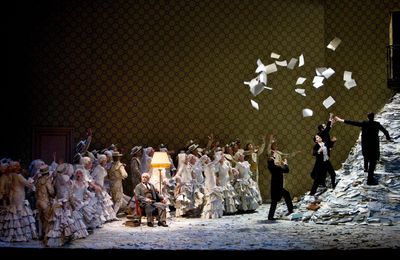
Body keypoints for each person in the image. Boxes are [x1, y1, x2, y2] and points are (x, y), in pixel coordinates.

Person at [335, 113, 391, 185]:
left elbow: (353, 122)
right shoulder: (377, 124)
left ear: (367, 117)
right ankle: (370, 180)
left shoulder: (364, 123)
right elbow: (385, 131)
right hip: (374, 146)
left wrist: (340, 120)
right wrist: (388, 138)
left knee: (366, 157)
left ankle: (365, 170)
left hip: (366, 146)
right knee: (372, 163)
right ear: (373, 117)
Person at [266, 135, 293, 220]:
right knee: (281, 197)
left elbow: (271, 160)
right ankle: (290, 210)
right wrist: (285, 163)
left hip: (275, 186)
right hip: (278, 186)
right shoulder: (277, 167)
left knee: (277, 200)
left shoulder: (272, 167)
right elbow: (287, 170)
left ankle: (271, 216)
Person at [316, 113, 337, 189]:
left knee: (324, 171)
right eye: (323, 127)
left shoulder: (324, 134)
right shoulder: (321, 134)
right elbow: (328, 127)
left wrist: (333, 142)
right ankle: (332, 185)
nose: (325, 127)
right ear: (322, 129)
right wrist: (330, 117)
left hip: (325, 156)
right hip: (323, 158)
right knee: (331, 173)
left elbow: (329, 145)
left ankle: (323, 184)